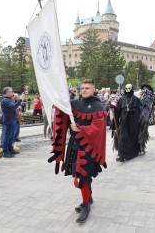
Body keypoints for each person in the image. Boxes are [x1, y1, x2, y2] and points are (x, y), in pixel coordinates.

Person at [48, 79, 107, 223]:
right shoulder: (75, 104)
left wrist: (81, 128)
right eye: (83, 88)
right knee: (81, 174)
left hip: (88, 147)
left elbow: (98, 130)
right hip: (74, 146)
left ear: (94, 90)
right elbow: (63, 116)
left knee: (83, 175)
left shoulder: (98, 107)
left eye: (87, 88)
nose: (84, 90)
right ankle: (89, 196)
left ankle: (86, 204)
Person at [113, 84, 141, 162]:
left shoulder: (135, 99)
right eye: (126, 88)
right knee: (122, 137)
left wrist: (132, 111)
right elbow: (118, 109)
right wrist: (113, 108)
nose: (128, 90)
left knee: (131, 137)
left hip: (132, 122)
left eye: (129, 88)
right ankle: (122, 155)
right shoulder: (122, 99)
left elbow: (138, 110)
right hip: (123, 122)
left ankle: (132, 153)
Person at [0, 87, 24, 158]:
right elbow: (13, 107)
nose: (13, 93)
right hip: (9, 121)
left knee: (12, 136)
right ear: (7, 92)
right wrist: (20, 99)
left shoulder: (9, 100)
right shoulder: (5, 100)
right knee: (7, 136)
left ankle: (10, 149)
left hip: (12, 120)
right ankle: (5, 152)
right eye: (12, 91)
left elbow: (13, 106)